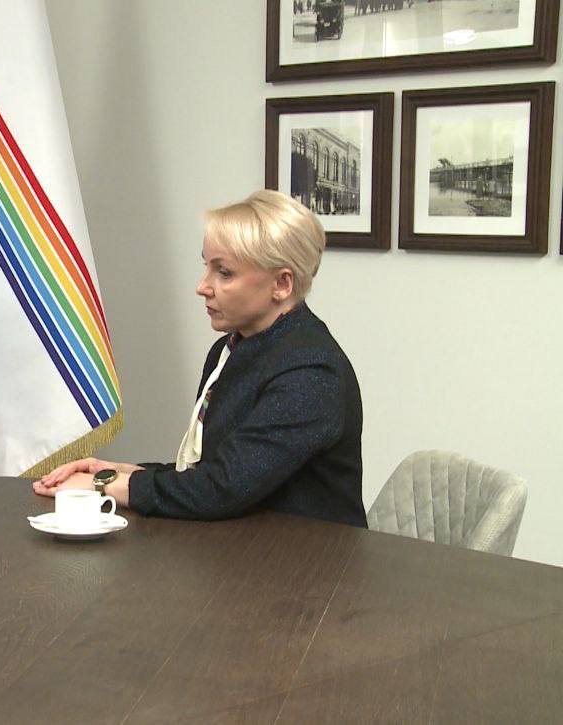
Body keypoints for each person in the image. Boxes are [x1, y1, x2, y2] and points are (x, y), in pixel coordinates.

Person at [34, 190, 366, 528]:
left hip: (310, 556)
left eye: (224, 272)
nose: (202, 286)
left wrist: (102, 486)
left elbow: (223, 489)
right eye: (206, 266)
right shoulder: (230, 349)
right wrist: (116, 472)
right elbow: (214, 471)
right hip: (248, 546)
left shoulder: (312, 372)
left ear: (281, 283)